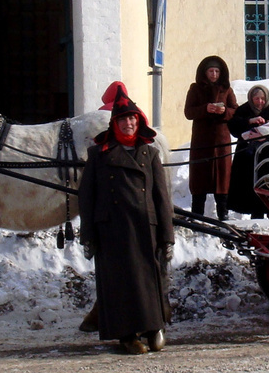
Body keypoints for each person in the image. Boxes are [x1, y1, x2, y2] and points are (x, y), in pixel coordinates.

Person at [78, 84, 174, 354]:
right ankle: (126, 335)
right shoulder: (99, 155)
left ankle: (154, 327)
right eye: (123, 119)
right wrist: (88, 235)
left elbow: (162, 198)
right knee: (119, 283)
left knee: (148, 280)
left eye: (132, 118)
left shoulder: (150, 153)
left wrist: (167, 235)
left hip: (146, 228)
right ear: (115, 123)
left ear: (138, 120)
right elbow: (86, 197)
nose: (129, 123)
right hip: (112, 230)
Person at [183, 55, 238, 219]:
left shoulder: (226, 89)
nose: (214, 74)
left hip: (221, 141)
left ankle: (223, 215)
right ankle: (197, 216)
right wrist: (205, 108)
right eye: (210, 71)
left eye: (216, 71)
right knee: (200, 178)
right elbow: (188, 112)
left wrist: (224, 112)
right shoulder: (195, 89)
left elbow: (235, 110)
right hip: (202, 141)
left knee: (222, 179)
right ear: (204, 72)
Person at [227, 84, 269, 219]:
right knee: (248, 187)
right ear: (250, 98)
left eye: (263, 99)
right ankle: (254, 214)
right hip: (247, 159)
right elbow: (234, 127)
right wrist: (249, 122)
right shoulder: (242, 111)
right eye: (256, 98)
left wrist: (267, 135)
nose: (260, 102)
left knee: (267, 186)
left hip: (268, 158)